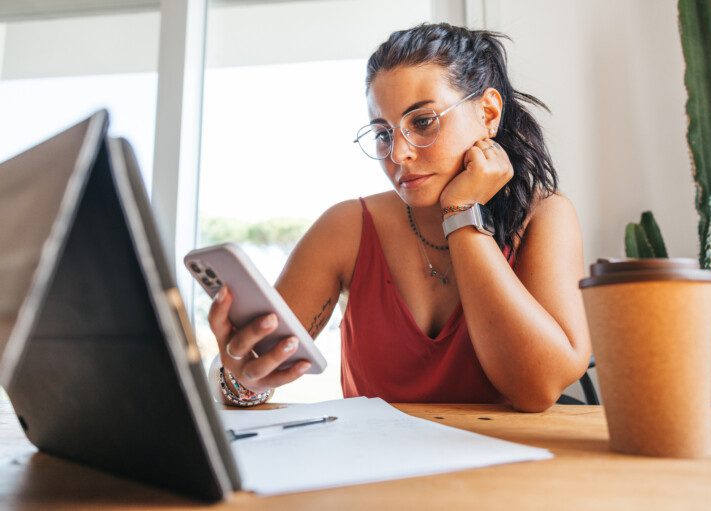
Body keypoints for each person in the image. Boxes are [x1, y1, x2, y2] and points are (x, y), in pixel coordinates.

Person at [208, 23, 591, 412]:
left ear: (488, 112)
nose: (399, 154)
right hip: (378, 469)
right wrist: (239, 381)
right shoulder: (346, 229)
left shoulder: (545, 217)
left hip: (508, 469)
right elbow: (251, 370)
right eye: (383, 133)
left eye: (422, 122)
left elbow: (537, 389)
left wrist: (461, 215)